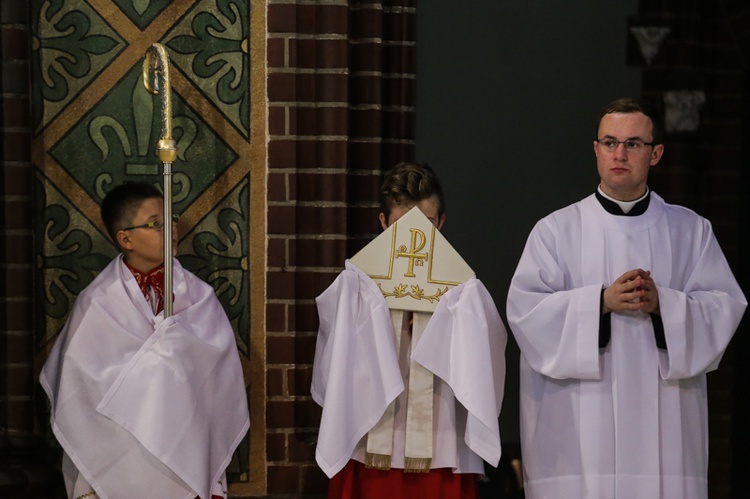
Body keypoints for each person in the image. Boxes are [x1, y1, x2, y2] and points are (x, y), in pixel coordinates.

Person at [506, 97, 747, 499]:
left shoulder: (691, 231)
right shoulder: (555, 231)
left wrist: (663, 304)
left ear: (656, 154)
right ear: (596, 150)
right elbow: (526, 314)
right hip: (581, 430)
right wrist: (599, 301)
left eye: (633, 143)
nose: (620, 153)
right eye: (610, 142)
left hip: (666, 431)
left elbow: (723, 308)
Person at [40, 182, 250, 499]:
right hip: (119, 443)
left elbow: (217, 369)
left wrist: (175, 352)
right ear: (126, 239)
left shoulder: (198, 297)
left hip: (184, 436)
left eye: (170, 220)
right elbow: (80, 382)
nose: (171, 230)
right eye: (156, 224)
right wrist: (154, 367)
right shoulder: (97, 301)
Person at [312, 162, 507, 499]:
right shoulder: (354, 286)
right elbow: (335, 368)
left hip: (442, 441)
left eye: (427, 225)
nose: (415, 241)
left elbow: (483, 370)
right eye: (402, 227)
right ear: (383, 223)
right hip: (367, 439)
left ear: (441, 224)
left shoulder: (465, 292)